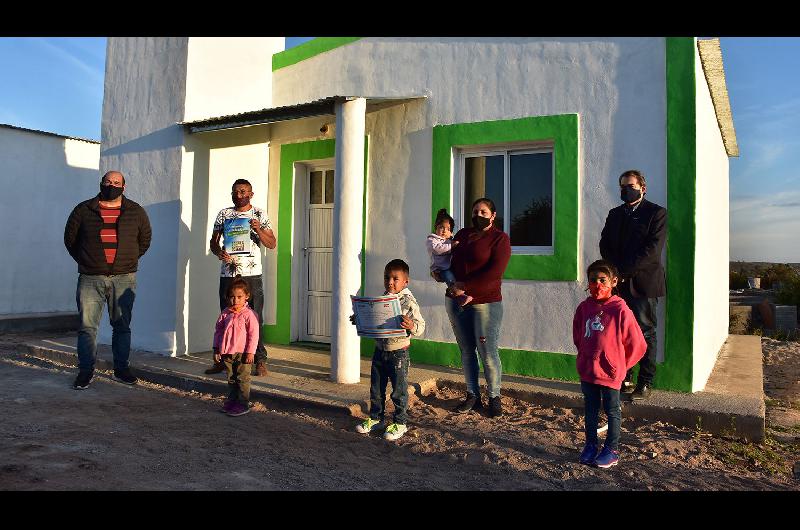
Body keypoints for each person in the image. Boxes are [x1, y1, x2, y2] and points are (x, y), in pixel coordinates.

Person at [64, 170, 152, 389]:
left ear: (124, 186)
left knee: (122, 326)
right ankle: (85, 371)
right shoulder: (84, 209)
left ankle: (121, 370)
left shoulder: (135, 211)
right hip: (90, 278)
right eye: (108, 181)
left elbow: (145, 240)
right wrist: (89, 261)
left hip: (123, 278)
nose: (111, 185)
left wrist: (126, 261)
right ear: (101, 183)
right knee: (87, 327)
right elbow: (70, 240)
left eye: (116, 182)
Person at [599, 169, 666, 401]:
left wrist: (623, 271)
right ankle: (624, 376)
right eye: (622, 187)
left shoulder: (656, 213)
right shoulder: (614, 214)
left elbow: (652, 251)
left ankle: (645, 382)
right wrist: (614, 272)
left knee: (645, 332)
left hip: (643, 285)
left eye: (630, 186)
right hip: (619, 284)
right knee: (619, 333)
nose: (626, 190)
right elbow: (604, 244)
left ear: (642, 187)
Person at [573, 260, 646, 468]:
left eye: (602, 280)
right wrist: (587, 357)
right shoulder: (584, 308)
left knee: (612, 411)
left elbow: (638, 344)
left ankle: (611, 449)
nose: (597, 284)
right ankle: (590, 445)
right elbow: (578, 335)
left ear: (613, 282)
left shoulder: (620, 309)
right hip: (588, 372)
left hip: (611, 375)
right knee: (590, 410)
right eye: (593, 280)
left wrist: (619, 365)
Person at [442, 198, 511, 418]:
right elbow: (450, 261)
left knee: (487, 351)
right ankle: (472, 395)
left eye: (483, 212)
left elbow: (494, 273)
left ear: (493, 215)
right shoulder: (462, 235)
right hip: (456, 301)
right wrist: (441, 274)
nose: (478, 215)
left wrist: (466, 287)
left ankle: (494, 397)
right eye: (475, 211)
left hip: (485, 302)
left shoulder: (500, 239)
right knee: (466, 351)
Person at [206, 179, 276, 377]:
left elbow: (272, 243)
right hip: (228, 273)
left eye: (243, 191)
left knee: (255, 318)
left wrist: (258, 229)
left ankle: (259, 361)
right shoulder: (224, 214)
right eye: (235, 192)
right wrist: (219, 252)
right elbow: (213, 242)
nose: (238, 195)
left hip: (252, 275)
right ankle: (222, 360)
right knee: (226, 317)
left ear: (251, 194)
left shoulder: (260, 214)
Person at [352, 259, 425, 441]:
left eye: (395, 278)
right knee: (376, 389)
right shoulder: (382, 299)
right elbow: (376, 319)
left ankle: (400, 423)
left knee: (399, 390)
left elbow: (420, 326)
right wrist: (360, 318)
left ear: (405, 282)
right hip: (379, 350)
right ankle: (376, 418)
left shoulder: (409, 302)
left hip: (398, 353)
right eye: (387, 278)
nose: (390, 282)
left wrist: (411, 325)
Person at [213, 277, 260, 417]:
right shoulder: (225, 313)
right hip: (227, 353)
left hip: (243, 353)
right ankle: (232, 401)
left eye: (239, 297)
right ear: (228, 298)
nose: (236, 300)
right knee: (231, 378)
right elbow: (218, 331)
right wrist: (216, 349)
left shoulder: (249, 315)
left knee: (242, 378)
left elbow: (253, 335)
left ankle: (242, 404)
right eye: (232, 297)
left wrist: (251, 352)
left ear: (247, 296)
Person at [427, 208, 472, 306]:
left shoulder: (450, 240)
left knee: (456, 278)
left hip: (449, 266)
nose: (444, 231)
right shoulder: (432, 239)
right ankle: (459, 296)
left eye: (448, 229)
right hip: (440, 269)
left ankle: (463, 294)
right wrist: (451, 246)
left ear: (451, 232)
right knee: (449, 278)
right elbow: (437, 249)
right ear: (436, 228)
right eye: (441, 227)